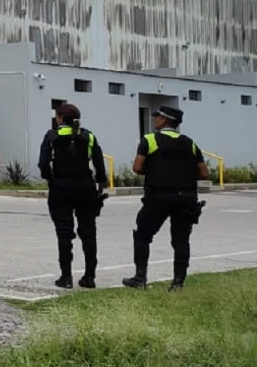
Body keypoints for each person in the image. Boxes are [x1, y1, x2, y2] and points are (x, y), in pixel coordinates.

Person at [123, 106, 208, 291]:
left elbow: (137, 168)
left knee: (143, 235)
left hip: (159, 196)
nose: (155, 120)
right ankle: (178, 283)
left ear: (163, 121)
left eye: (157, 117)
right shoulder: (189, 143)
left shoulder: (150, 139)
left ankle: (140, 278)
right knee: (181, 240)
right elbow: (204, 172)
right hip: (186, 197)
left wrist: (157, 171)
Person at [38, 103, 107, 289]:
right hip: (86, 186)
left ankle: (66, 277)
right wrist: (100, 184)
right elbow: (100, 164)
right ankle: (90, 277)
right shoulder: (88, 136)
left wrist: (50, 179)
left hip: (61, 186)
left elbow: (43, 164)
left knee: (64, 232)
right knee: (88, 232)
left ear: (60, 118)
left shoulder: (52, 136)